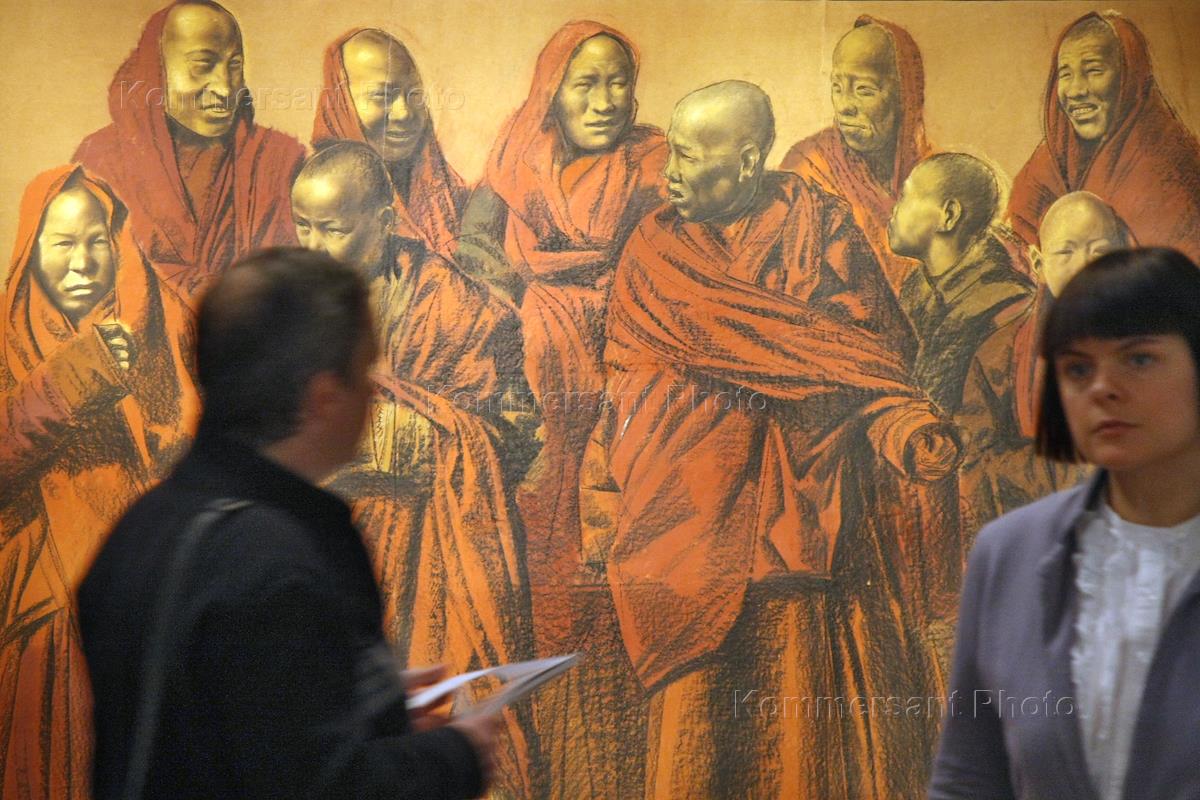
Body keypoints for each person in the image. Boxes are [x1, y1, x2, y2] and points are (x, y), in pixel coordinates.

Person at [582, 80, 958, 798]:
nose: (670, 175)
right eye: (671, 154)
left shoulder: (819, 229)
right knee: (695, 742)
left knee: (794, 736)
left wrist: (901, 426)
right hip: (681, 522)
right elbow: (626, 384)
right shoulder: (653, 249)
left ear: (750, 161)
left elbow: (867, 360)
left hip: (794, 523)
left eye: (690, 158)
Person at [78, 247, 499, 799]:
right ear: (323, 398)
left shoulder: (142, 528)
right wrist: (457, 754)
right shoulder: (269, 561)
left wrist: (365, 700)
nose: (374, 393)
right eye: (365, 371)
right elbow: (319, 787)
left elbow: (220, 730)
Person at [453, 21, 667, 798]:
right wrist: (517, 364)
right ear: (553, 91)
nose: (605, 101)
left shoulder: (657, 165)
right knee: (542, 593)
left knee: (622, 586)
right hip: (537, 419)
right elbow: (475, 287)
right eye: (586, 84)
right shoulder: (512, 170)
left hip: (631, 409)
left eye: (618, 83)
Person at [290, 142, 535, 799]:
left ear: (385, 219)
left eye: (332, 229)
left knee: (432, 725)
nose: (313, 246)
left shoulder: (459, 307)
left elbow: (517, 431)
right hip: (326, 553)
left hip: (435, 550)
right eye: (302, 225)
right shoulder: (284, 313)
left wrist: (422, 440)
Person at [931, 247, 1200, 799]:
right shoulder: (1008, 553)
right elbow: (968, 778)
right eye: (1077, 368)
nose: (1102, 387)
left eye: (1138, 358)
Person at [0, 164, 199, 800]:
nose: (83, 263)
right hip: (43, 607)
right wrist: (72, 380)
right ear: (31, 250)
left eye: (97, 242)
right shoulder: (7, 336)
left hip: (159, 603)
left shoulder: (164, 322)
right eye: (62, 244)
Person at [73, 0, 305, 307]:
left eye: (234, 66)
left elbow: (294, 282)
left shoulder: (277, 159)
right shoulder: (100, 161)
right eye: (202, 65)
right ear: (156, 69)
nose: (225, 89)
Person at [888, 153, 1035, 539]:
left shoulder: (1008, 308)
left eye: (905, 197)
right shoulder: (915, 292)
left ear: (948, 215)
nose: (894, 210)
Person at [1008, 11, 1200, 264]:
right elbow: (1016, 240)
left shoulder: (1169, 169)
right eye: (1065, 74)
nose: (1075, 90)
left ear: (1129, 78)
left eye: (1094, 70)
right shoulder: (1051, 158)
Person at [781, 16, 933, 294]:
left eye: (864, 90)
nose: (844, 106)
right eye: (837, 88)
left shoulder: (935, 174)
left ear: (905, 97)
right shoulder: (807, 166)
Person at [312, 28, 467, 261]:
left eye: (414, 95)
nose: (404, 113)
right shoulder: (310, 201)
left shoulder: (453, 198)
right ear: (340, 103)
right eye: (382, 96)